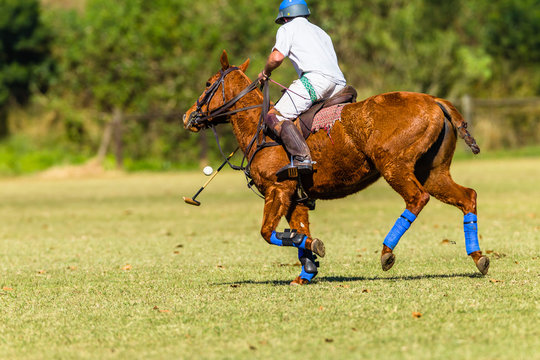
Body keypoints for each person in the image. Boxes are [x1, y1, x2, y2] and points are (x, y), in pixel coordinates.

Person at [258, 0, 347, 177]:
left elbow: (276, 57)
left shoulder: (287, 29)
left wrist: (265, 72)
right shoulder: (321, 32)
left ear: (284, 18)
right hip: (339, 84)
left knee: (274, 115)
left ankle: (301, 158)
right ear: (305, 13)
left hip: (315, 80)